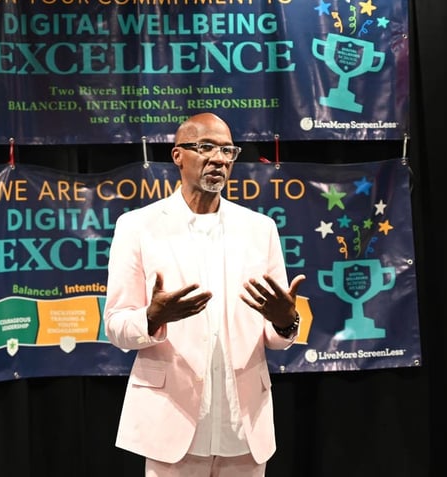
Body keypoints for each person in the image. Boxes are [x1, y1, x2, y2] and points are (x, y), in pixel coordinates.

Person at [103, 112, 306, 476]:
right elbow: (116, 326)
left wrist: (286, 322)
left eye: (228, 150)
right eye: (206, 147)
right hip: (172, 425)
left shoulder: (260, 230)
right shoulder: (137, 227)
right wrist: (152, 318)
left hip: (244, 426)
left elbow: (277, 339)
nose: (219, 159)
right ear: (178, 155)